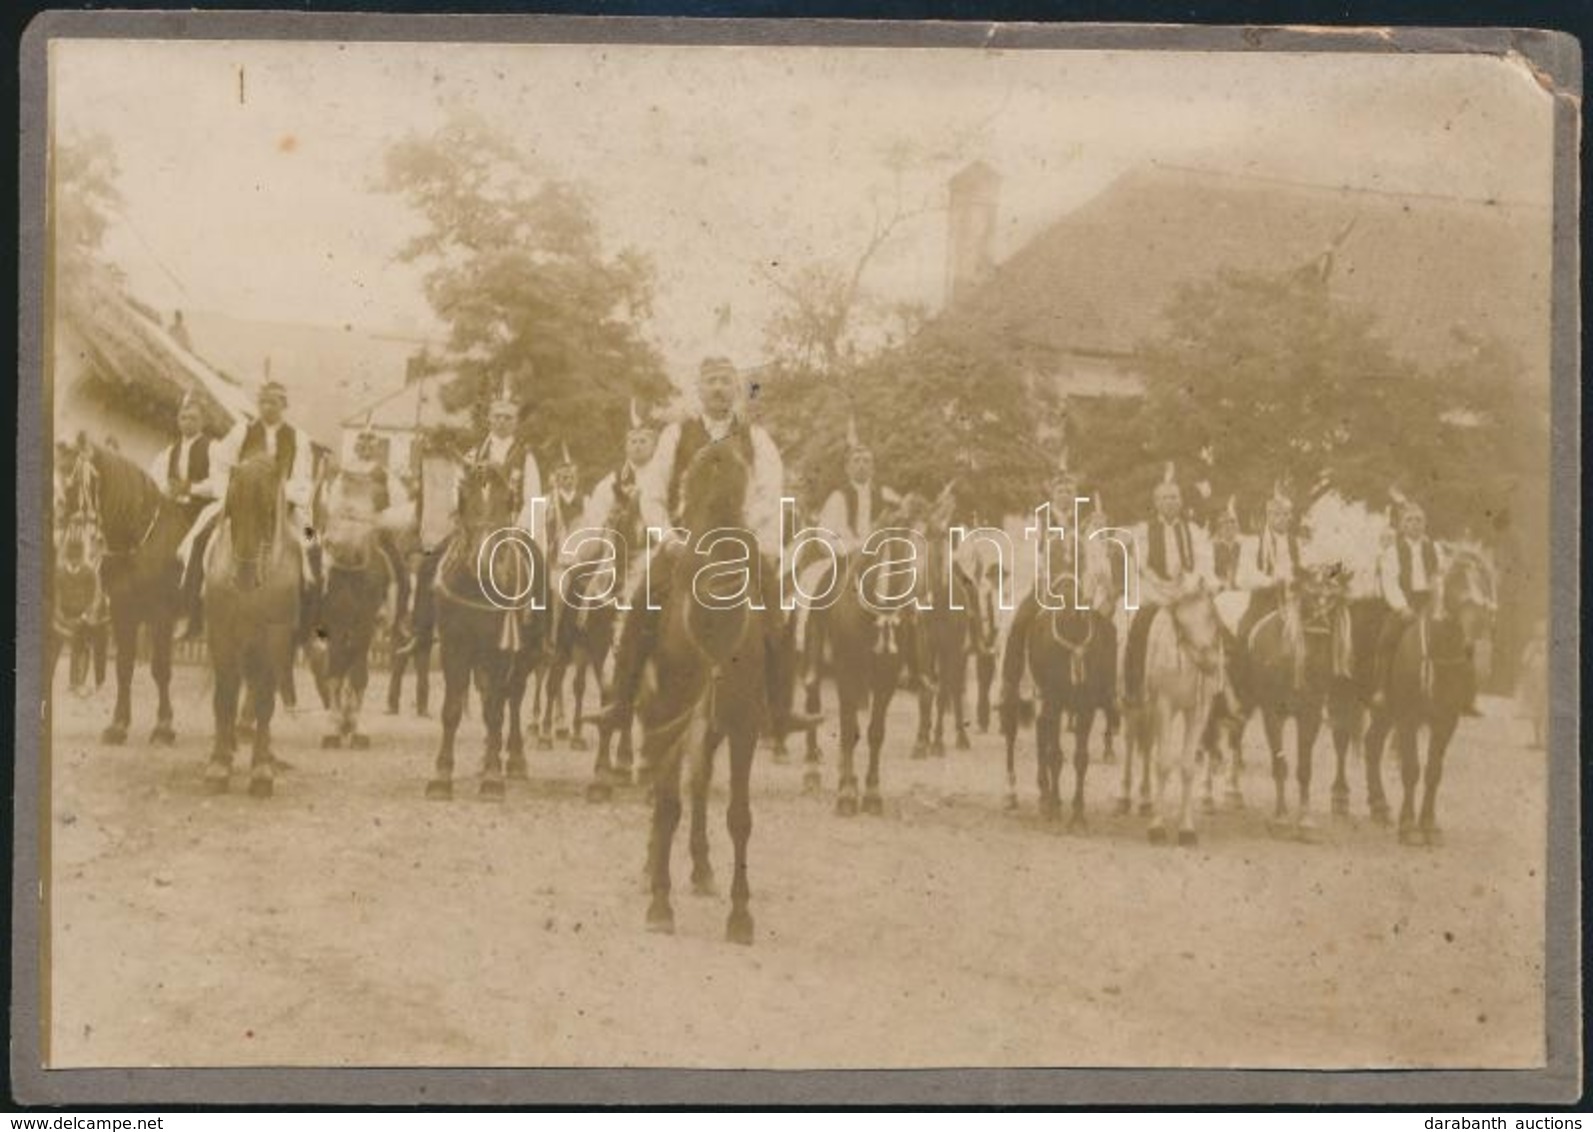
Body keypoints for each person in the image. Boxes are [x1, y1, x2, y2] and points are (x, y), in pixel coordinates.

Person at [600, 356, 820, 736]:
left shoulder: (757, 439)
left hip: (739, 544)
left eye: (725, 381)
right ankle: (620, 701)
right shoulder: (675, 435)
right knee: (643, 599)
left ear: (736, 390)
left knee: (777, 612)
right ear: (699, 390)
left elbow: (770, 494)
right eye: (711, 381)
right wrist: (668, 539)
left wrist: (743, 531)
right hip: (686, 544)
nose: (719, 388)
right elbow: (652, 494)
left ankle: (780, 707)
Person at [998, 462, 1114, 715]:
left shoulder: (1085, 524)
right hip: (1045, 588)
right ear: (1052, 494)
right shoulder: (1038, 520)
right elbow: (1028, 554)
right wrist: (1041, 579)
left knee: (1106, 627)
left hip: (1078, 591)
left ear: (1075, 495)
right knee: (1018, 624)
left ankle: (1106, 687)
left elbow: (1095, 557)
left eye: (1069, 491)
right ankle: (1011, 685)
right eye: (1060, 491)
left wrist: (1092, 584)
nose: (1065, 496)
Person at [1122, 464, 1216, 704]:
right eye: (1164, 498)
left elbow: (1204, 564)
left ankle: (1219, 693)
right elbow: (1142, 566)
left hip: (1188, 595)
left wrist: (1187, 584)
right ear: (1156, 502)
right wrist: (1165, 587)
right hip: (1157, 595)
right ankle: (1133, 691)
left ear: (1181, 501)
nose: (1169, 502)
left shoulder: (1193, 530)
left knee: (1218, 631)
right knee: (1139, 630)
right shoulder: (1144, 530)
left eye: (1174, 497)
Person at [153, 393, 222, 638]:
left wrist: (190, 487)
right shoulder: (169, 452)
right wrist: (168, 489)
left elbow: (219, 484)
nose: (187, 423)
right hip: (174, 509)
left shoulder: (213, 449)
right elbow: (157, 481)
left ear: (203, 421)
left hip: (202, 510)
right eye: (183, 418)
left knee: (195, 547)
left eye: (193, 418)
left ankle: (189, 613)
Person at [1372, 496, 1446, 707]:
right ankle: (1381, 687)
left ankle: (1457, 691)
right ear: (1402, 525)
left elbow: (1439, 577)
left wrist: (1438, 604)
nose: (1415, 525)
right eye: (1410, 520)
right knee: (1388, 638)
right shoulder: (1393, 551)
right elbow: (1390, 583)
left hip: (1429, 602)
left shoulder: (1435, 549)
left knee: (1452, 637)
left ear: (1425, 524)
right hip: (1405, 601)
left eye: (1419, 520)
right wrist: (1402, 607)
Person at [464, 377, 543, 537]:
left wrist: (521, 529)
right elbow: (460, 489)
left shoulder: (525, 457)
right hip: (475, 529)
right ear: (489, 419)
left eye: (508, 417)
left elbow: (534, 500)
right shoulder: (475, 454)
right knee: (442, 559)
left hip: (510, 529)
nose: (502, 421)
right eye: (497, 416)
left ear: (516, 422)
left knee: (533, 560)